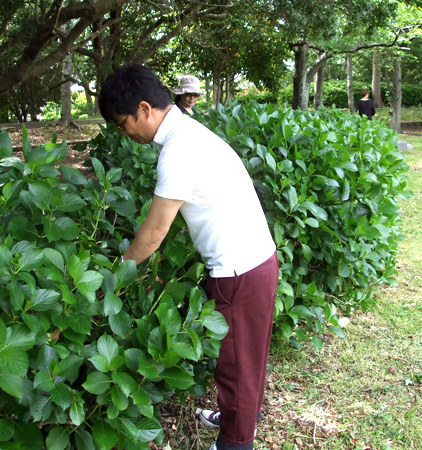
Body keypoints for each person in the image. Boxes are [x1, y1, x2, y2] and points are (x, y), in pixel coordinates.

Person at [98, 65, 279, 450]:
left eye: (122, 123)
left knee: (236, 366)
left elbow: (153, 233)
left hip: (238, 271)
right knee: (248, 357)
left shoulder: (178, 150)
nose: (124, 133)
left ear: (144, 109)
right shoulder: (190, 132)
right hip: (257, 259)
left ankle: (235, 442)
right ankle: (242, 416)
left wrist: (115, 278)